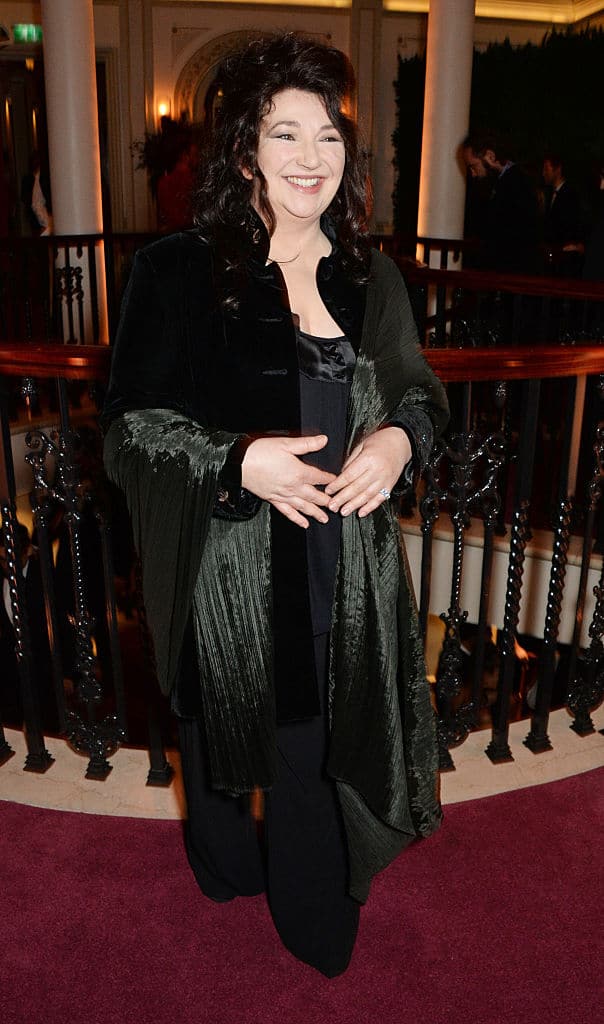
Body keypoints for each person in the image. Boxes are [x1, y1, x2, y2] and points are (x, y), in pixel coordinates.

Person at [102, 32, 449, 977]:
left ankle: (313, 914)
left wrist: (397, 437)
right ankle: (222, 866)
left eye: (327, 136)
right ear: (244, 151)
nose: (309, 158)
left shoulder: (370, 277)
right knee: (219, 741)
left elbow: (420, 389)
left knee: (315, 751)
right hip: (225, 572)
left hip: (346, 572)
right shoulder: (176, 272)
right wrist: (235, 460)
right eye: (283, 134)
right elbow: (128, 427)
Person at [462, 132, 539, 274]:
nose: (473, 174)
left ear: (490, 156)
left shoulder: (517, 184)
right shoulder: (505, 181)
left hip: (513, 273)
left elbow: (512, 235)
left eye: (473, 166)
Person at [542, 151, 585, 277]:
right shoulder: (551, 194)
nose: (544, 174)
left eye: (547, 169)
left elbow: (569, 225)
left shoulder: (569, 195)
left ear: (557, 169)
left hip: (564, 258)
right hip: (554, 255)